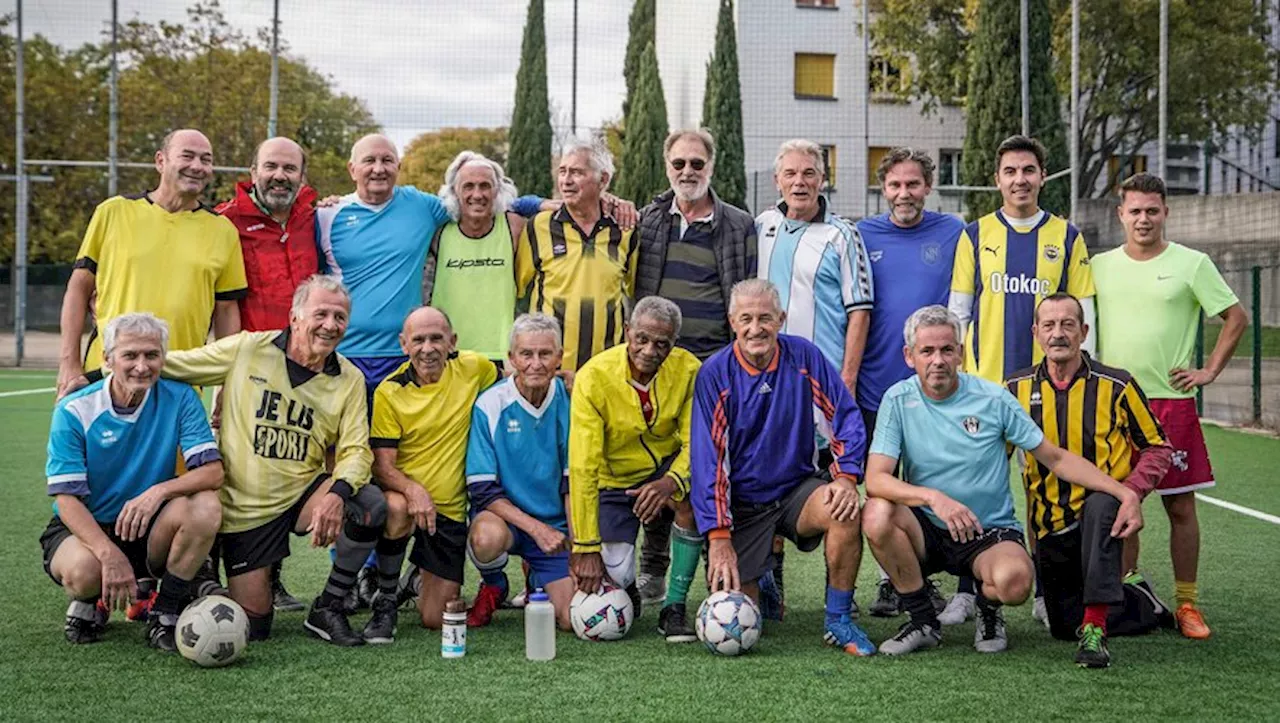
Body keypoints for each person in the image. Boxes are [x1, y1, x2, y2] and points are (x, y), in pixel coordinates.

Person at [862, 305, 1142, 657]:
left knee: (1016, 584)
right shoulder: (898, 399)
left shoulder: (993, 399)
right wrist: (934, 498)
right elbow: (876, 479)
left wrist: (1122, 492)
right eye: (927, 351)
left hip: (987, 532)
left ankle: (987, 607)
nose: (938, 360)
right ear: (909, 356)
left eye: (947, 349)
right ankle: (922, 621)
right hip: (928, 528)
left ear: (961, 354)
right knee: (876, 514)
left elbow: (1054, 457)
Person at [162, 275, 388, 647]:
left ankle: (327, 606)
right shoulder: (248, 349)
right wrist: (97, 373)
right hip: (245, 508)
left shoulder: (349, 378)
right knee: (255, 627)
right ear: (295, 317)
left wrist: (336, 493)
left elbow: (356, 450)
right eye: (321, 314)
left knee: (369, 506)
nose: (330, 325)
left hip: (302, 492)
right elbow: (175, 365)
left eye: (340, 317)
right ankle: (203, 575)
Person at [1092, 173, 1249, 640]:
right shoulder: (1098, 265)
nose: (1143, 219)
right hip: (1116, 403)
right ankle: (1125, 598)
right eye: (1135, 210)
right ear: (1120, 214)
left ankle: (1187, 605)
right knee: (1123, 503)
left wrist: (1209, 372)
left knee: (1181, 508)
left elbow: (1236, 318)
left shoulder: (1192, 263)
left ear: (1166, 213)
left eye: (1152, 210)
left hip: (1171, 404)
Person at [947, 134, 1096, 625]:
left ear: (1041, 177)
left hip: (1046, 388)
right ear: (997, 180)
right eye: (1010, 171)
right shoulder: (975, 235)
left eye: (1028, 170)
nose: (1019, 180)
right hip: (987, 386)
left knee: (1045, 489)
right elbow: (958, 313)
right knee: (976, 487)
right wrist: (959, 377)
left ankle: (1043, 591)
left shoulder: (1067, 237)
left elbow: (1082, 312)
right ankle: (969, 588)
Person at [690, 278, 875, 655]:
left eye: (765, 318)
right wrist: (719, 536)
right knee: (738, 619)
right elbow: (709, 461)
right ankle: (763, 575)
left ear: (781, 319)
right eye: (746, 319)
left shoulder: (803, 357)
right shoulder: (715, 373)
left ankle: (838, 620)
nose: (755, 328)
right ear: (732, 321)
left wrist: (846, 476)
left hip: (796, 491)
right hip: (744, 506)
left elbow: (845, 416)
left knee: (843, 510)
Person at [1006, 293, 1176, 667]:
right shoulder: (1013, 389)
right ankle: (1141, 601)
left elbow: (1157, 447)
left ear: (1083, 331)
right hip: (1051, 526)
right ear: (1036, 333)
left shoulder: (1117, 385)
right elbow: (992, 454)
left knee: (1101, 502)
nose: (1058, 334)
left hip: (1103, 514)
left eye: (1068, 324)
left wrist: (1131, 492)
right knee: (1064, 626)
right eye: (1049, 325)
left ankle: (1096, 633)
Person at [41, 313, 224, 651]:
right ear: (107, 359)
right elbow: (66, 499)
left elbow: (212, 472)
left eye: (152, 355)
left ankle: (164, 612)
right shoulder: (74, 409)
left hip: (147, 525)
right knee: (85, 572)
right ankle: (90, 599)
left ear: (163, 359)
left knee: (206, 506)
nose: (142, 366)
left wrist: (158, 492)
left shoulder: (181, 398)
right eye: (130, 355)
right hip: (88, 526)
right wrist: (108, 554)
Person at [631, 128, 758, 608]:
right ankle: (654, 565)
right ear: (668, 166)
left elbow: (744, 294)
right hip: (659, 362)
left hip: (712, 365)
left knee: (714, 464)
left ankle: (736, 573)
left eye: (697, 164)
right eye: (679, 163)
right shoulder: (647, 220)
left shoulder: (738, 224)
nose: (688, 172)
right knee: (662, 460)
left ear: (711, 167)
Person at [754, 139, 875, 614]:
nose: (799, 182)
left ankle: (838, 597)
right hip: (767, 384)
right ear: (777, 179)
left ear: (823, 179)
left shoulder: (843, 235)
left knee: (833, 491)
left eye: (809, 173)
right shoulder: (762, 225)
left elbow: (859, 312)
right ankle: (771, 588)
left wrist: (844, 382)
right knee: (767, 479)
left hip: (821, 387)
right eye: (790, 173)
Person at [57, 128, 247, 398]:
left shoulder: (223, 230)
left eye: (206, 159)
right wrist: (69, 363)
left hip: (180, 383)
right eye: (187, 156)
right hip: (106, 375)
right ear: (161, 161)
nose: (197, 166)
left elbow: (227, 311)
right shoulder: (113, 212)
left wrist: (225, 388)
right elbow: (78, 289)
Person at [856, 147, 962, 620]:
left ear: (928, 186)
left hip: (935, 390)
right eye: (895, 185)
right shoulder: (861, 235)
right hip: (876, 385)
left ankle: (927, 579)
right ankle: (888, 581)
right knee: (880, 488)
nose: (904, 194)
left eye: (913, 184)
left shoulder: (955, 232)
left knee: (931, 482)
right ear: (884, 188)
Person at [216, 136, 320, 613]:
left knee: (288, 468)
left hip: (303, 366)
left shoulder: (313, 215)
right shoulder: (224, 223)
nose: (280, 176)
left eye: (290, 168)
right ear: (252, 170)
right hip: (249, 369)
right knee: (237, 475)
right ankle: (206, 578)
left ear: (303, 175)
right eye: (271, 167)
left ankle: (271, 579)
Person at [568, 296, 703, 643]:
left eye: (662, 343)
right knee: (613, 569)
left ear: (674, 344)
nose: (649, 349)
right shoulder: (593, 377)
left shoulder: (689, 370)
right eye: (641, 338)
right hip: (614, 481)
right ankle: (628, 586)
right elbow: (583, 467)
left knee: (692, 495)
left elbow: (696, 443)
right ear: (627, 332)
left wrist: (671, 481)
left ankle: (673, 607)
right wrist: (585, 546)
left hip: (664, 469)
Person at [368, 307, 500, 637]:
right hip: (408, 502)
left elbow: (516, 378)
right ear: (403, 344)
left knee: (435, 619)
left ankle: (416, 579)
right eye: (418, 340)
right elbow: (382, 466)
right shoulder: (389, 391)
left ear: (452, 341)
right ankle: (385, 601)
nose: (428, 348)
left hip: (449, 511)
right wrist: (414, 491)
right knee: (396, 509)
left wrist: (562, 378)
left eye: (436, 339)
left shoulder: (474, 368)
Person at [466, 314, 574, 630]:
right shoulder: (490, 405)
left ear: (559, 357)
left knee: (570, 620)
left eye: (545, 354)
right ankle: (494, 583)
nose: (536, 364)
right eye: (526, 354)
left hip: (556, 526)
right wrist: (536, 530)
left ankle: (538, 577)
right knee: (486, 538)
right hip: (506, 522)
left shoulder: (572, 400)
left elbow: (573, 482)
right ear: (511, 358)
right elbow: (483, 490)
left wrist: (578, 545)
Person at [516, 140, 640, 373]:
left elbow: (635, 290)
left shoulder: (625, 230)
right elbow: (516, 287)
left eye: (577, 172)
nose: (566, 180)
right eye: (563, 171)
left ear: (603, 180)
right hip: (548, 367)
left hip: (606, 365)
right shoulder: (538, 227)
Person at [423, 152, 528, 365]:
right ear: (454, 191)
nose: (477, 194)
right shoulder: (438, 230)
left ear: (498, 190)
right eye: (468, 186)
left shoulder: (514, 227)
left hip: (502, 354)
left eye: (485, 186)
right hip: (449, 353)